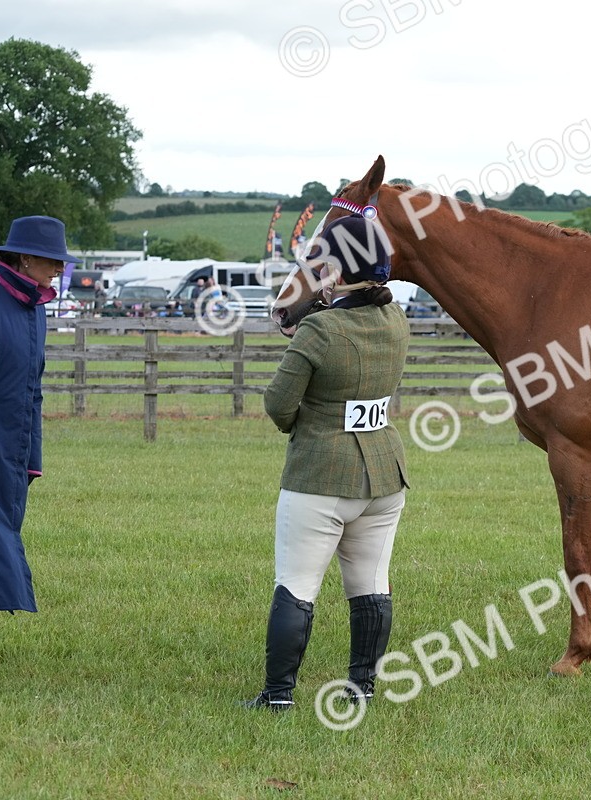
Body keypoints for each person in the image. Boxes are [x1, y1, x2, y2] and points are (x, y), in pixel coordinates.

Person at [244, 213, 411, 710]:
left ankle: (278, 696)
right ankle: (361, 688)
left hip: (320, 473)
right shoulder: (397, 321)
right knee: (371, 584)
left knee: (296, 584)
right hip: (383, 473)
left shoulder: (319, 330)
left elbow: (278, 404)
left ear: (335, 271)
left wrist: (308, 422)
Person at [0, 215, 80, 690]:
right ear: (23, 258)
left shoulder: (35, 309)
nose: (59, 268)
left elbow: (32, 386)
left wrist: (31, 453)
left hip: (10, 444)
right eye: (51, 259)